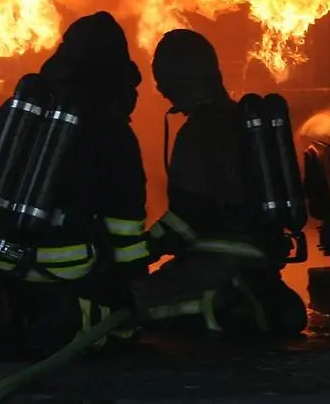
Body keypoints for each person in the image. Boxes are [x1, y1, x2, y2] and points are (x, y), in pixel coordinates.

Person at [0, 12, 150, 360]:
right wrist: (136, 288)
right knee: (120, 321)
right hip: (66, 276)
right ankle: (72, 321)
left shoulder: (13, 112)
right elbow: (123, 222)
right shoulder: (109, 127)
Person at [129, 28, 307, 338]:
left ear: (178, 81)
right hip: (262, 255)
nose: (163, 93)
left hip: (217, 260)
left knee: (139, 306)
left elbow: (188, 217)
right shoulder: (239, 119)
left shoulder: (199, 132)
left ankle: (230, 307)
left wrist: (143, 250)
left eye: (164, 83)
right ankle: (253, 293)